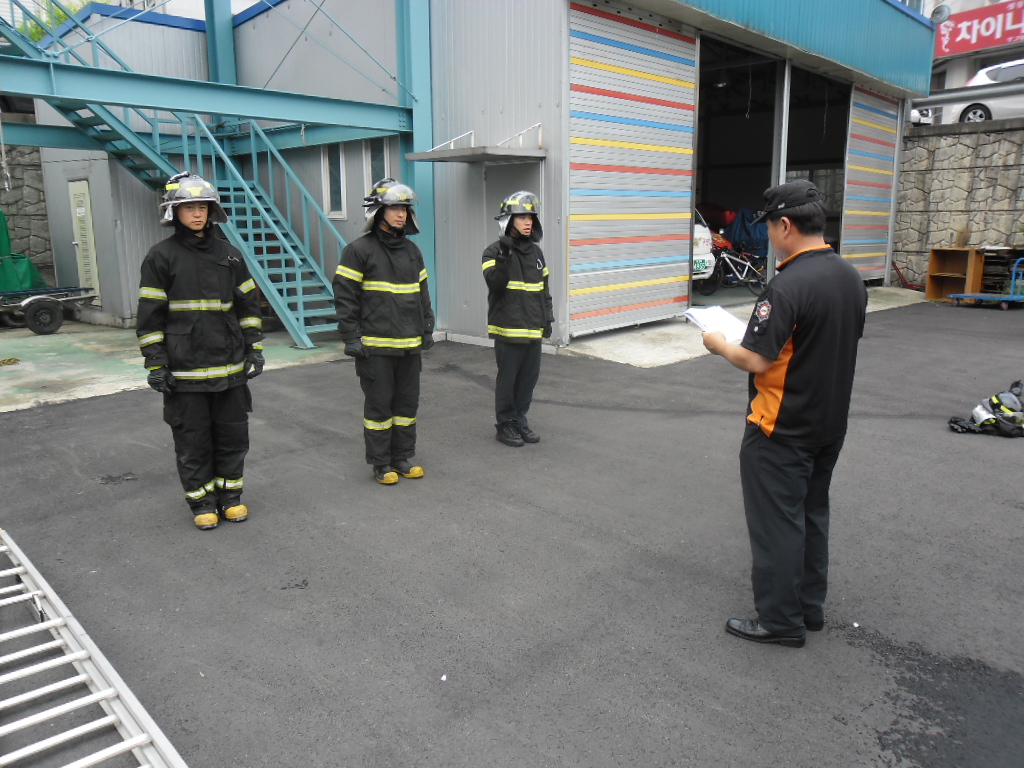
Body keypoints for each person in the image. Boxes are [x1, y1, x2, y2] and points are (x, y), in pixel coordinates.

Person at [701, 179, 867, 648]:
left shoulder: (788, 285)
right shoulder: (850, 277)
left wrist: (718, 344)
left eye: (771, 227)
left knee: (777, 524)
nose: (769, 236)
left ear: (787, 225)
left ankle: (779, 620)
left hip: (780, 428)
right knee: (811, 515)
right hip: (828, 424)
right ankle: (808, 608)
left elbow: (756, 358)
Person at [137, 172, 265, 530]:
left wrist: (254, 349)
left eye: (203, 207)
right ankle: (202, 503)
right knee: (193, 441)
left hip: (230, 370)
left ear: (212, 212)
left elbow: (247, 307)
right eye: (189, 207)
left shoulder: (230, 255)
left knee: (233, 437)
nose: (197, 214)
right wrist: (156, 363)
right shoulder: (160, 257)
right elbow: (150, 316)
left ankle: (231, 498)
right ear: (174, 212)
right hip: (185, 372)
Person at [334, 178, 435, 485]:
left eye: (404, 208)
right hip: (375, 347)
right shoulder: (358, 251)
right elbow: (345, 296)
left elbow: (422, 293)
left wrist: (427, 327)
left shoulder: (412, 251)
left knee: (406, 405)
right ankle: (380, 463)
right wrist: (351, 336)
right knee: (379, 407)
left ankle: (402, 457)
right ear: (377, 211)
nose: (401, 214)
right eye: (394, 208)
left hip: (408, 345)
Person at [482, 191, 554, 447]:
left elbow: (544, 289)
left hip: (533, 329)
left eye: (531, 217)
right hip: (508, 330)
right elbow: (496, 284)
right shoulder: (492, 252)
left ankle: (519, 420)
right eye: (522, 217)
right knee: (508, 380)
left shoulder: (536, 253)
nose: (528, 222)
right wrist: (503, 258)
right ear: (509, 220)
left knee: (527, 380)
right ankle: (504, 425)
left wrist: (548, 318)